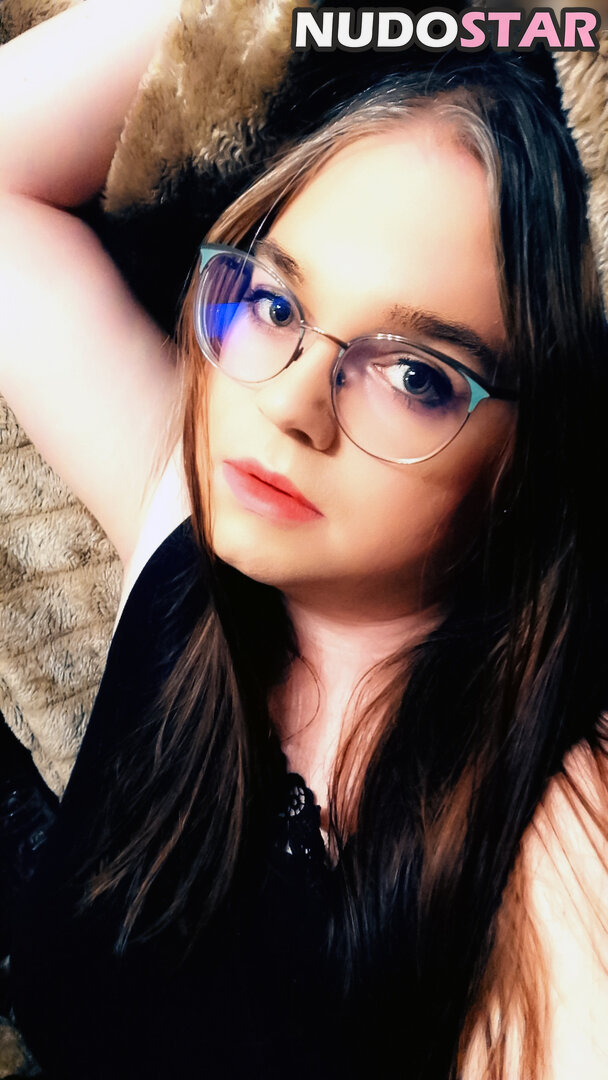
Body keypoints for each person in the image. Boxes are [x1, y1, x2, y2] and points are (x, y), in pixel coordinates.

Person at [0, 1, 607, 1077]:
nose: (287, 404)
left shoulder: (557, 827)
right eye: (276, 303)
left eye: (414, 375)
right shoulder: (190, 547)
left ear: (536, 452)